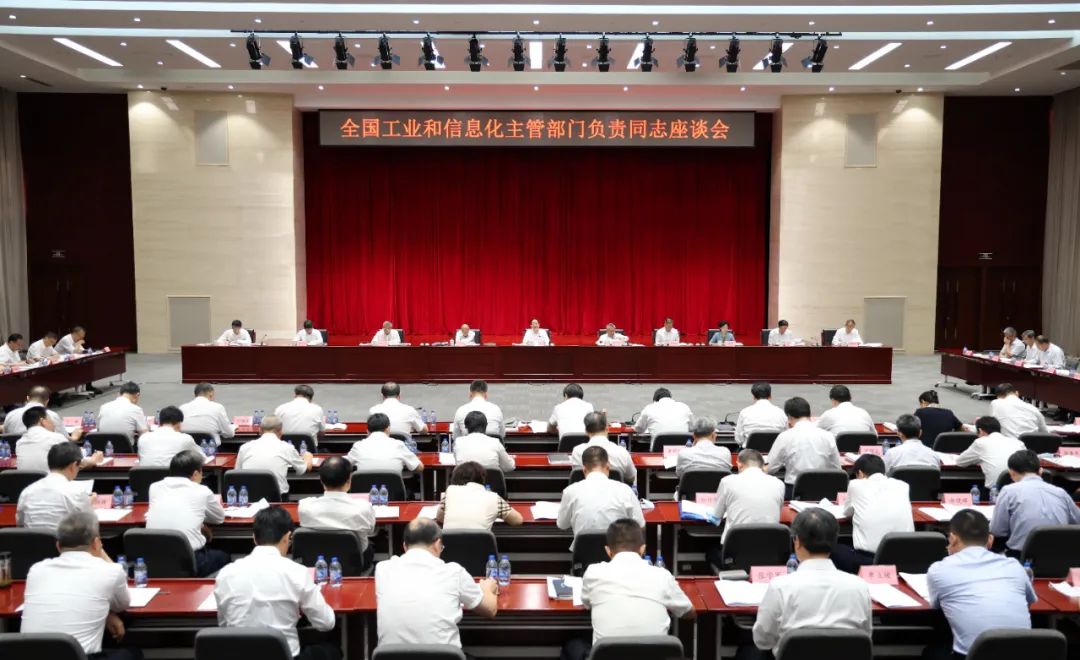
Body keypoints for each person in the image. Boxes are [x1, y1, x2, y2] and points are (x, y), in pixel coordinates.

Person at [215, 507, 339, 660]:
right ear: (287, 537)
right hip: (285, 656)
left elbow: (224, 625)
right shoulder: (297, 572)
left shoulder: (225, 574)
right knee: (331, 650)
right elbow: (326, 623)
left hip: (238, 655)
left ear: (254, 538)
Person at [563, 519, 694, 660]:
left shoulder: (593, 572)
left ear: (608, 551)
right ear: (642, 549)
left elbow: (587, 603)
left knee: (572, 646)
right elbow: (689, 612)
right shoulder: (662, 575)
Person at [750, 509, 872, 657]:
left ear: (797, 542)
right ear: (835, 541)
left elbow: (763, 641)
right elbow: (865, 637)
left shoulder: (780, 587)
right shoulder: (859, 586)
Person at [21, 512, 138, 660]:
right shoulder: (111, 571)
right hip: (80, 656)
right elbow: (122, 605)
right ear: (96, 543)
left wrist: (107, 614)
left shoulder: (36, 569)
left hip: (29, 655)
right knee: (133, 653)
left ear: (58, 546)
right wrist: (101, 553)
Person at [925, 509, 1035, 660]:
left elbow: (936, 606)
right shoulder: (1014, 566)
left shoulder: (939, 569)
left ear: (952, 539)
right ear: (990, 540)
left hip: (972, 655)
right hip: (1024, 654)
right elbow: (1028, 604)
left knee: (933, 650)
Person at [375, 517, 499, 647]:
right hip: (443, 655)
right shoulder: (454, 572)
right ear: (437, 544)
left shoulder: (383, 569)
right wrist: (487, 588)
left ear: (405, 546)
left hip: (391, 656)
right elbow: (490, 610)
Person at [146, 449, 229, 577]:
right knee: (224, 557)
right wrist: (201, 524)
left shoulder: (154, 487)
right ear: (195, 474)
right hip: (188, 561)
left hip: (154, 560)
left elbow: (172, 512)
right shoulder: (202, 491)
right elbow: (219, 518)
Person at [989, 449, 1080, 557]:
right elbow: (1077, 522)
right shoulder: (1061, 493)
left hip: (1022, 557)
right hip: (1062, 557)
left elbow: (997, 531)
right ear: (1041, 471)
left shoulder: (1008, 491)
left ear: (1011, 473)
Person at [833, 454, 914, 573]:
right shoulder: (903, 485)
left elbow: (847, 512)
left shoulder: (856, 484)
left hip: (869, 561)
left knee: (832, 549)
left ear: (860, 473)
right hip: (905, 560)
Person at [558, 446, 644, 545]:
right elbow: (640, 524)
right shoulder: (626, 490)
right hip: (617, 550)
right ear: (608, 467)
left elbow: (562, 525)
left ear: (584, 470)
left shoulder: (570, 491)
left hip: (583, 551)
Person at [298, 456, 377, 561]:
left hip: (317, 561)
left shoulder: (304, 506)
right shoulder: (363, 508)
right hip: (355, 561)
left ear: (321, 481)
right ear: (349, 480)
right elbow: (371, 531)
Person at [766, 397, 841, 499]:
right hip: (824, 491)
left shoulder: (785, 436)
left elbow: (770, 468)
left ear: (789, 417)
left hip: (794, 491)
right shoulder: (828, 436)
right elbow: (837, 468)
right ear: (809, 414)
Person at [712, 449, 785, 544]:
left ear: (739, 465)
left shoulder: (727, 482)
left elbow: (716, 516)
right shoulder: (779, 484)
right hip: (769, 546)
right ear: (762, 466)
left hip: (736, 545)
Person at [16, 442, 93, 530]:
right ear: (73, 465)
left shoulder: (27, 492)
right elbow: (88, 527)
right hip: (64, 538)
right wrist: (88, 503)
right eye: (79, 466)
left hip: (32, 539)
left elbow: (20, 525)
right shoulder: (77, 492)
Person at [235, 415, 313, 496]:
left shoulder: (244, 447)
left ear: (260, 430)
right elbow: (304, 469)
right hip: (277, 498)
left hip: (249, 496)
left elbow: (237, 473)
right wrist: (308, 457)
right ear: (281, 431)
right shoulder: (287, 447)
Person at [437, 461, 524, 530]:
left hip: (449, 546)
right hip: (481, 546)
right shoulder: (494, 497)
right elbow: (517, 520)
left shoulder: (450, 491)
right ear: (483, 479)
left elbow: (440, 518)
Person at [16, 407, 99, 473]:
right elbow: (77, 463)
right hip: (52, 486)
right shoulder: (55, 438)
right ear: (42, 421)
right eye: (50, 420)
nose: (54, 424)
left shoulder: (20, 443)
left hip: (27, 488)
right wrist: (94, 460)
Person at [955, 416, 1025, 491]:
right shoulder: (1019, 443)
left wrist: (977, 460)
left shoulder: (980, 442)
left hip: (993, 492)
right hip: (1021, 490)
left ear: (980, 431)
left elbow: (960, 462)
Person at [346, 412, 423, 475]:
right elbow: (419, 467)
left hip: (365, 489)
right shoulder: (398, 445)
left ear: (367, 431)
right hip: (393, 489)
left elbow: (343, 464)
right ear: (388, 429)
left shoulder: (358, 446)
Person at [571, 412, 635, 484]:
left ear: (586, 431)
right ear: (607, 428)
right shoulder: (622, 452)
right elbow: (631, 478)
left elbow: (578, 478)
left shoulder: (577, 452)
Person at [136, 405, 201, 467]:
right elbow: (202, 458)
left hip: (145, 475)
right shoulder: (185, 439)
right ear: (179, 423)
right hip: (175, 474)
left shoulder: (143, 438)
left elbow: (141, 459)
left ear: (159, 422)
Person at [734, 382, 789, 448]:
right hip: (776, 452)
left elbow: (739, 440)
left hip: (750, 453)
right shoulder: (781, 413)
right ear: (770, 396)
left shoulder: (744, 412)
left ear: (753, 397)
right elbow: (787, 436)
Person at [4, 384, 68, 437]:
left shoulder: (10, 415)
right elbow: (64, 438)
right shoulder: (52, 415)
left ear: (28, 398)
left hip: (17, 448)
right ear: (47, 401)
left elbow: (6, 435)